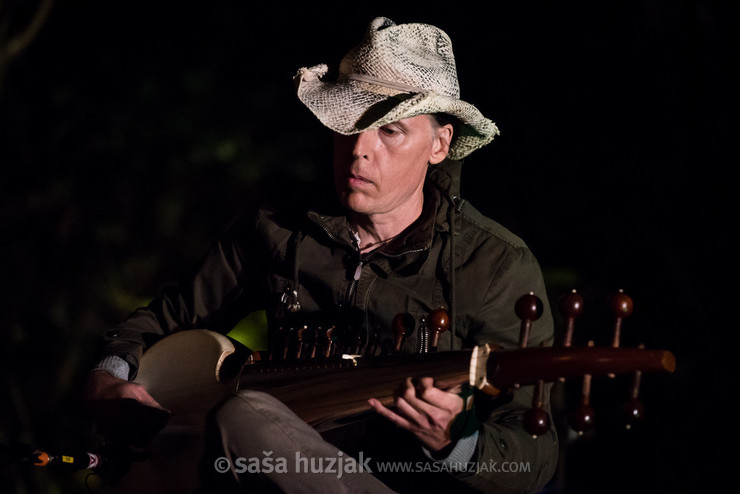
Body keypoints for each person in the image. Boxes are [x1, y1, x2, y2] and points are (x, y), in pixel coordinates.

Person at [85, 17, 558, 493]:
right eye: (346, 126)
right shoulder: (278, 227)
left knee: (244, 414)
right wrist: (108, 380)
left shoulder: (495, 265)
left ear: (440, 144)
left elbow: (534, 458)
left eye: (389, 131)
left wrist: (459, 441)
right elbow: (162, 321)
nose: (358, 151)